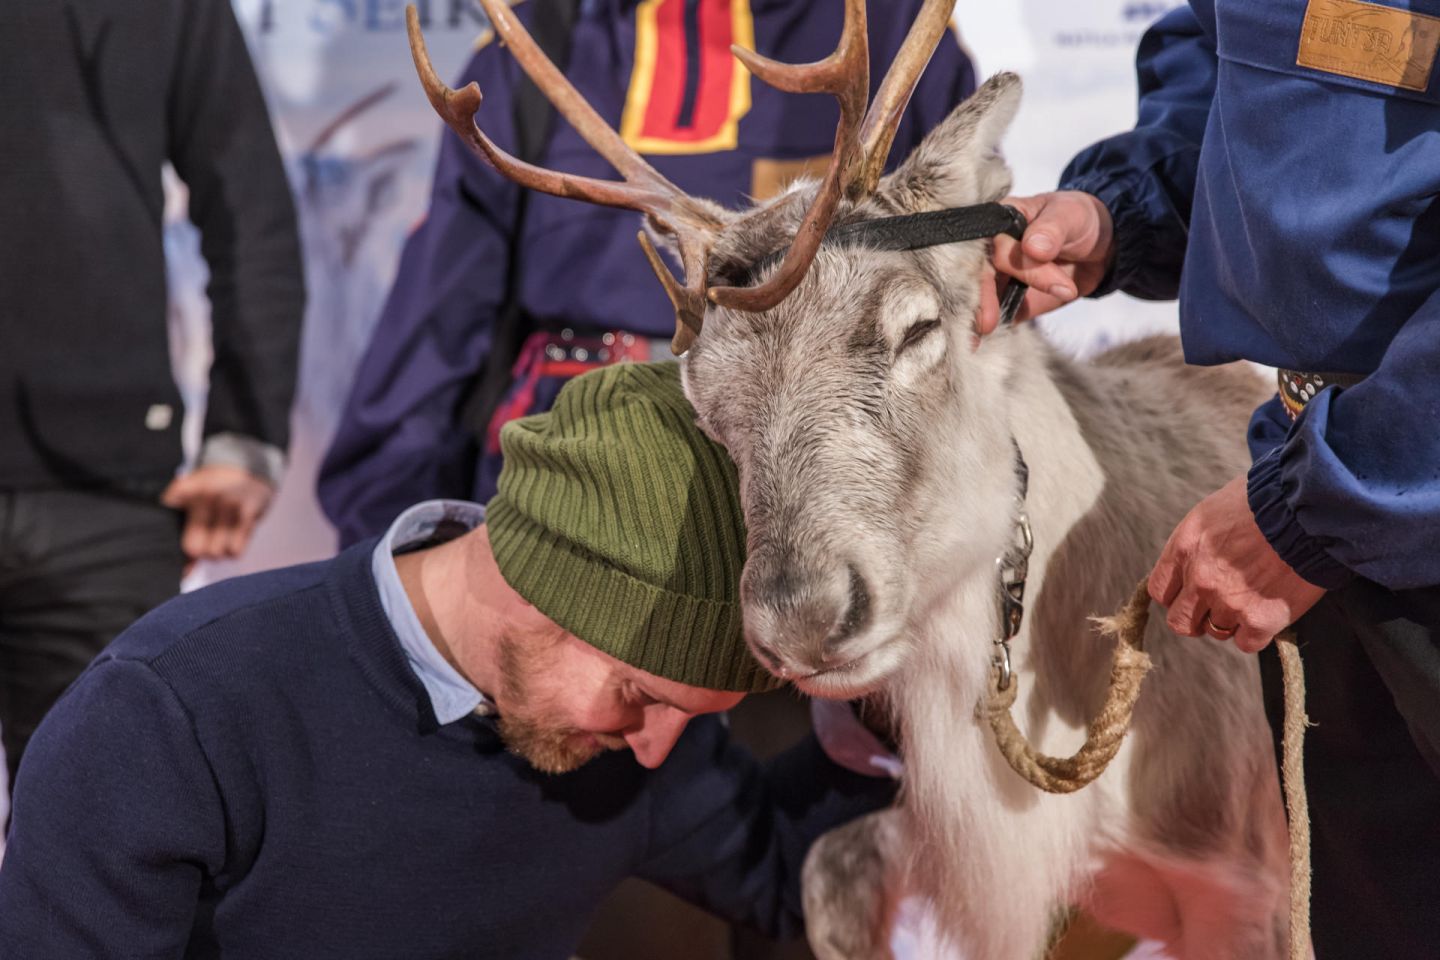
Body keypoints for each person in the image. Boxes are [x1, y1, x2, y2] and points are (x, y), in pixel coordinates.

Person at [0, 362, 894, 958]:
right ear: (543, 582)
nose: (658, 749)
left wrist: (882, 720)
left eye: (698, 717)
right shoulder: (172, 717)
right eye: (639, 692)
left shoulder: (632, 744)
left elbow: (790, 878)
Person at [984, 3, 1440, 954]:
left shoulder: (1329, 502)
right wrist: (1122, 211)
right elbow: (1261, 68)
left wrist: (1328, 505)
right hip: (1349, 491)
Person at [317, 0, 977, 545]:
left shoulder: (898, 38)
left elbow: (956, 298)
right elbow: (444, 310)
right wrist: (388, 539)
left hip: (817, 483)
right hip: (575, 469)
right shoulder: (532, 50)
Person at [0, 1, 303, 792]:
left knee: (97, 849)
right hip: (107, 490)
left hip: (109, 492)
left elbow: (251, 210)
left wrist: (246, 435)